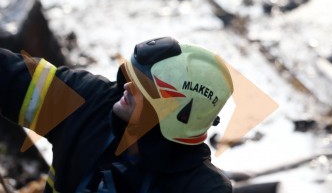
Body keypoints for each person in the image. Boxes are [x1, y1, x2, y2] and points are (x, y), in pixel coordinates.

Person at [0, 37, 233, 192]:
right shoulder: (87, 102)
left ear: (179, 117)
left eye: (144, 88)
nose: (127, 87)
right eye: (132, 77)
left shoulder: (202, 188)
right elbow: (10, 76)